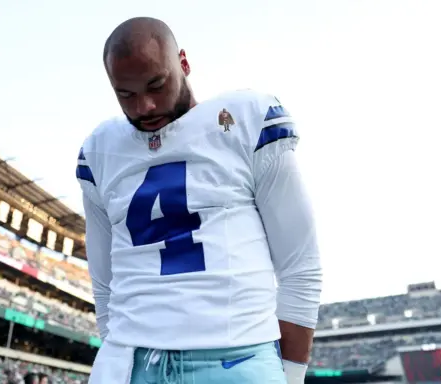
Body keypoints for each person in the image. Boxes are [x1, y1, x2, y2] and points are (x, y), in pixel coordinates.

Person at [77, 16, 322, 384]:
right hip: (131, 362)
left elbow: (299, 266)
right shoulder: (100, 149)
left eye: (156, 85)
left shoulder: (245, 120)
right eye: (125, 94)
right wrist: (118, 354)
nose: (144, 106)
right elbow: (104, 284)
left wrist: (291, 374)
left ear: (184, 63)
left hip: (237, 357)